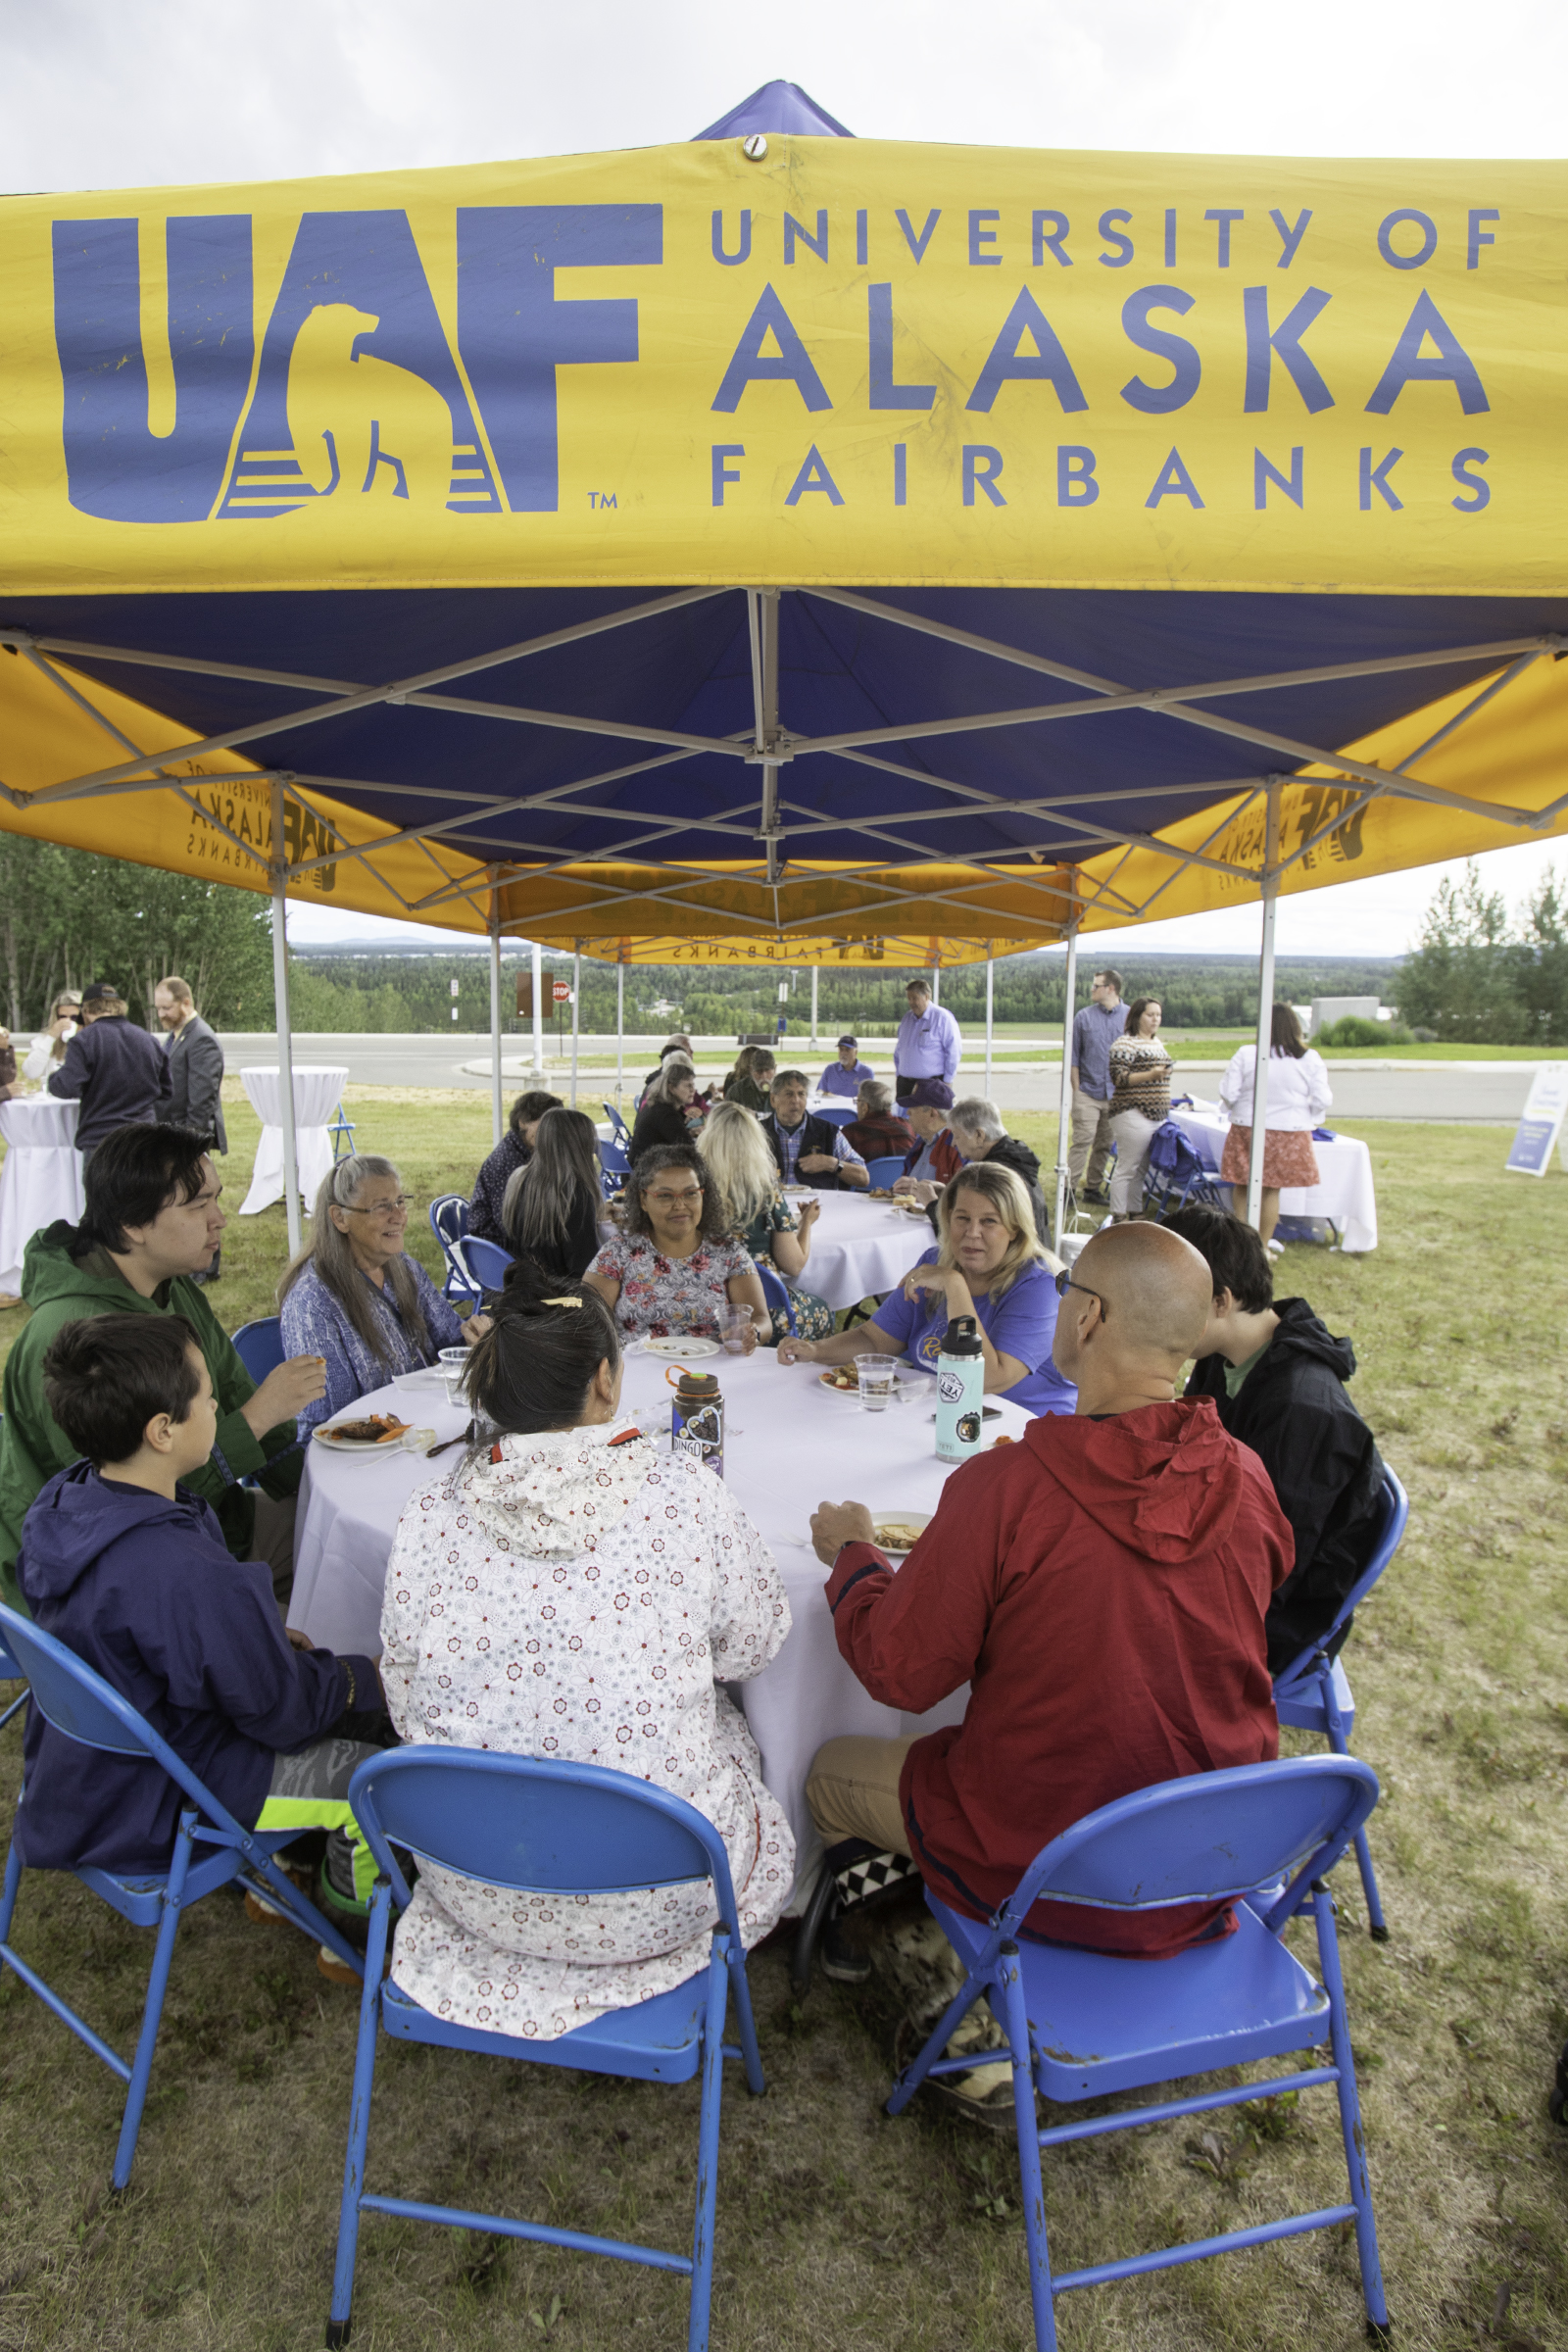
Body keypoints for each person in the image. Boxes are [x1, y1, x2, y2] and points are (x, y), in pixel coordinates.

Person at [802, 1221, 1291, 2071]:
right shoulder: (1245, 1474)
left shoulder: (1010, 1485)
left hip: (1047, 1860)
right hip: (1216, 1850)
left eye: (1065, 1292)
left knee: (827, 1771)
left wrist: (855, 1557)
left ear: (1089, 1318)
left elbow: (898, 1672)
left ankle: (918, 1943)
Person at [378, 1279, 795, 2040]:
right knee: (740, 1741)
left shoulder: (427, 1516)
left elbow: (406, 1701)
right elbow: (753, 1647)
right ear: (606, 1380)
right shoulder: (686, 1496)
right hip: (661, 1892)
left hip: (475, 1878)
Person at [13, 1314, 387, 1982]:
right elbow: (285, 1713)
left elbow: (181, 1646)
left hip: (89, 1774)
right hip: (167, 1795)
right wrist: (361, 1678)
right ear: (163, 1431)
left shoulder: (66, 1501)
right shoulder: (181, 1570)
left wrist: (264, 1641)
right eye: (208, 1397)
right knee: (377, 1767)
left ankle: (283, 1874)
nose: (219, 1406)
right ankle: (352, 1933)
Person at [0, 1123, 321, 1615]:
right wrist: (257, 1419)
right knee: (332, 1619)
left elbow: (236, 1392)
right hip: (113, 1585)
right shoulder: (72, 1337)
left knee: (336, 1538)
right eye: (197, 1206)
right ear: (133, 1224)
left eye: (216, 1199)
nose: (220, 1220)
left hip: (206, 1522)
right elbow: (123, 1508)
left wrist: (312, 1491)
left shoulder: (173, 1287)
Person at [1164, 1204, 1387, 1675]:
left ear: (1220, 1302)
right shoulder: (1223, 1354)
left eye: (1169, 1301)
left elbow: (1272, 1571)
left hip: (1269, 1621)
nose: (1158, 1316)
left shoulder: (1302, 1412)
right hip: (1218, 1561)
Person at [779, 1161, 1075, 1417]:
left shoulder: (1039, 1287)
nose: (972, 1233)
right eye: (962, 1218)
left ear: (1014, 1229)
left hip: (1020, 1427)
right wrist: (816, 1349)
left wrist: (954, 1286)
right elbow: (874, 1339)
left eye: (989, 1221)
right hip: (937, 1414)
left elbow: (987, 1379)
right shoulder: (936, 1263)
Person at [278, 1155, 485, 1442]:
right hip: (358, 1455)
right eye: (381, 1207)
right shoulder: (313, 1302)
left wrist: (471, 1342)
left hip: (423, 1432)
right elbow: (330, 1422)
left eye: (400, 1201)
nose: (398, 1215)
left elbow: (450, 1343)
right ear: (340, 1218)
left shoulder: (405, 1269)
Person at [584, 1144, 768, 1344]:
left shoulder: (729, 1253)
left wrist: (752, 1333)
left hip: (712, 1370)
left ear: (703, 1196)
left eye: (690, 1193)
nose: (680, 1205)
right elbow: (587, 1319)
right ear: (643, 1200)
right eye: (665, 1196)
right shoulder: (618, 1252)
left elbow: (761, 1319)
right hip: (636, 1369)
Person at [698, 1100, 834, 1343]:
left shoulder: (692, 1191)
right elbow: (793, 1264)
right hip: (761, 1312)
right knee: (823, 1309)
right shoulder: (765, 1191)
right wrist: (806, 1224)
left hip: (704, 1307)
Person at [1218, 1005, 1332, 1248]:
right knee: (1271, 1190)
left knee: (1242, 1185)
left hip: (1247, 1126)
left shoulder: (1247, 1054)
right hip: (1289, 1131)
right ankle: (1261, 1247)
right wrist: (1306, 1114)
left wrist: (1238, 1107)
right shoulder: (1308, 1058)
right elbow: (1323, 1099)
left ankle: (1242, 1246)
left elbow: (1228, 1092)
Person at [154, 975, 227, 1282]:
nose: (161, 1015)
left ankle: (205, 1267)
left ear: (186, 1003)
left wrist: (187, 1147)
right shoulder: (178, 1035)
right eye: (157, 1008)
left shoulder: (201, 1039)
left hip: (190, 1138)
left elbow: (201, 1101)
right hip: (175, 1134)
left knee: (201, 1203)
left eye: (166, 1008)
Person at [47, 980, 171, 1160]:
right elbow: (166, 1090)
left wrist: (53, 1079)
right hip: (144, 1137)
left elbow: (67, 1086)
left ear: (86, 1011)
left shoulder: (84, 1040)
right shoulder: (148, 1040)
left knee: (103, 1189)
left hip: (101, 1139)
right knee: (143, 1189)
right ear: (120, 1008)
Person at [500, 1105, 605, 1287]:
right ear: (581, 1146)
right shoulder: (575, 1192)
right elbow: (585, 1268)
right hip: (564, 1299)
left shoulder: (519, 1179)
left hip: (526, 1290)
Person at [467, 1089, 563, 1246]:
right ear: (523, 1121)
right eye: (546, 1123)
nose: (552, 1131)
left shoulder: (529, 1151)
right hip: (499, 1247)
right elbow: (510, 1225)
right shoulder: (508, 1162)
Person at [1107, 997, 1173, 1220]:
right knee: (1127, 1166)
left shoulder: (1157, 1043)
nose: (1156, 1020)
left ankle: (1135, 1210)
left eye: (1158, 1015)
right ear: (1137, 1016)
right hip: (1132, 1111)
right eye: (1150, 1014)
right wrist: (1151, 1075)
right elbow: (1119, 1077)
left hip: (1156, 1114)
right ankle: (1118, 1213)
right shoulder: (1125, 1043)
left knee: (1141, 1169)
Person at [949, 1096, 1049, 1240]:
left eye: (956, 1136)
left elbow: (970, 1232)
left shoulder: (993, 1174)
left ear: (979, 1135)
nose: (953, 1143)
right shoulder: (1014, 1158)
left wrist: (933, 1205)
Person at [1068, 967, 1125, 1205]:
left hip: (1116, 1094)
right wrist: (1077, 1088)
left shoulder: (1130, 1016)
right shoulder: (1083, 1017)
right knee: (1083, 1139)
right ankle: (1068, 1190)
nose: (1091, 990)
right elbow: (1073, 1055)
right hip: (1088, 1092)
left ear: (1110, 988)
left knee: (1104, 1143)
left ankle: (1093, 1189)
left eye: (1096, 986)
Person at [762, 1069, 868, 1192]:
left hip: (818, 1205)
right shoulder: (756, 1133)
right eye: (789, 1094)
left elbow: (863, 1178)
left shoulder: (828, 1132)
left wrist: (831, 1164)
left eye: (801, 1094)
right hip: (771, 1205)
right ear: (773, 1100)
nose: (795, 1100)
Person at [894, 1077, 965, 1200]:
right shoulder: (922, 1142)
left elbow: (962, 1196)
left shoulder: (957, 1145)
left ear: (932, 1114)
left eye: (913, 1108)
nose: (908, 1113)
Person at [893, 977, 961, 1103]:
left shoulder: (942, 1018)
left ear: (927, 997)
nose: (911, 1002)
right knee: (903, 1121)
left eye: (915, 998)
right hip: (905, 1084)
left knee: (928, 1120)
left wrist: (947, 1081)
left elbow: (954, 1051)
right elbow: (899, 1049)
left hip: (930, 1085)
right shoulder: (907, 1019)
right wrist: (899, 1073)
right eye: (909, 998)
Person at [628, 1053, 701, 1159]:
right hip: (644, 1171)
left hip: (646, 1163)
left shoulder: (661, 1105)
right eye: (687, 1085)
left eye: (693, 1085)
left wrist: (689, 1132)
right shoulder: (665, 1114)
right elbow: (689, 1150)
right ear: (671, 1088)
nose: (692, 1090)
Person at [843, 1078, 913, 1166]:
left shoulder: (851, 1132)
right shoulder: (907, 1126)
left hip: (868, 1179)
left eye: (857, 1101)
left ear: (865, 1107)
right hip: (903, 1179)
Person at [22, 991, 82, 1082]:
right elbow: (31, 1073)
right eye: (63, 1017)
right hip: (52, 1094)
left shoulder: (93, 1040)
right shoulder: (45, 1040)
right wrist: (51, 1036)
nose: (68, 1021)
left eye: (74, 1017)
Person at [721, 1046, 776, 1112]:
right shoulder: (737, 1091)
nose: (764, 1076)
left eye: (768, 1071)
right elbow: (726, 1115)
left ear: (775, 1069)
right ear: (751, 1070)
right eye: (759, 1071)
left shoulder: (783, 1088)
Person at [818, 1035, 874, 1099]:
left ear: (855, 1052)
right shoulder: (830, 1069)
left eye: (847, 1050)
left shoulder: (866, 1072)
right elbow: (821, 1091)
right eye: (841, 1049)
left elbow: (869, 1099)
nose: (843, 1053)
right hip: (833, 1107)